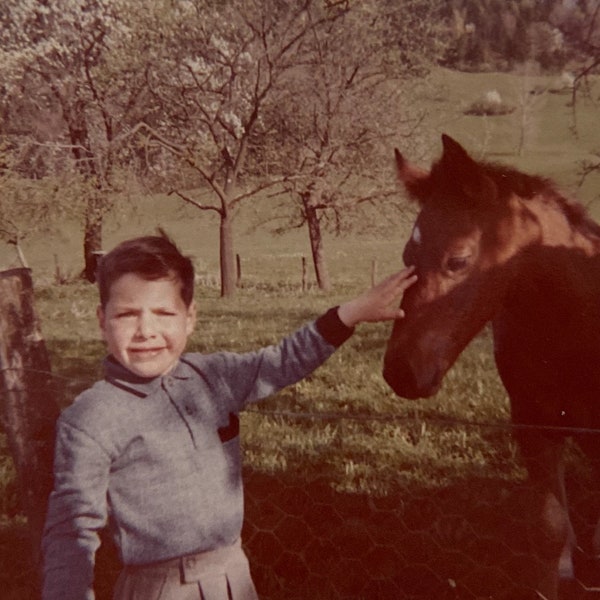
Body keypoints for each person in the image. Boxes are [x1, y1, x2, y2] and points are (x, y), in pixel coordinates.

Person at [41, 233, 417, 600]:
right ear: (101, 321)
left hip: (232, 578)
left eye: (163, 313)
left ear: (189, 319)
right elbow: (71, 529)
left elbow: (281, 361)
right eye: (126, 314)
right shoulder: (91, 418)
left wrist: (349, 315)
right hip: (159, 588)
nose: (146, 331)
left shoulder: (213, 377)